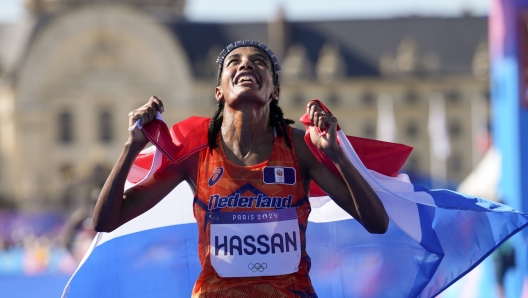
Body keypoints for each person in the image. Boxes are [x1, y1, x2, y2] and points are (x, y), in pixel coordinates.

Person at [92, 40, 389, 297]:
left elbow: (378, 223)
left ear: (275, 91)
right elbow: (106, 220)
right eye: (234, 62)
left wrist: (336, 156)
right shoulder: (195, 153)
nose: (246, 65)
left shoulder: (299, 148)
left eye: (259, 62)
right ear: (218, 91)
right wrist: (131, 146)